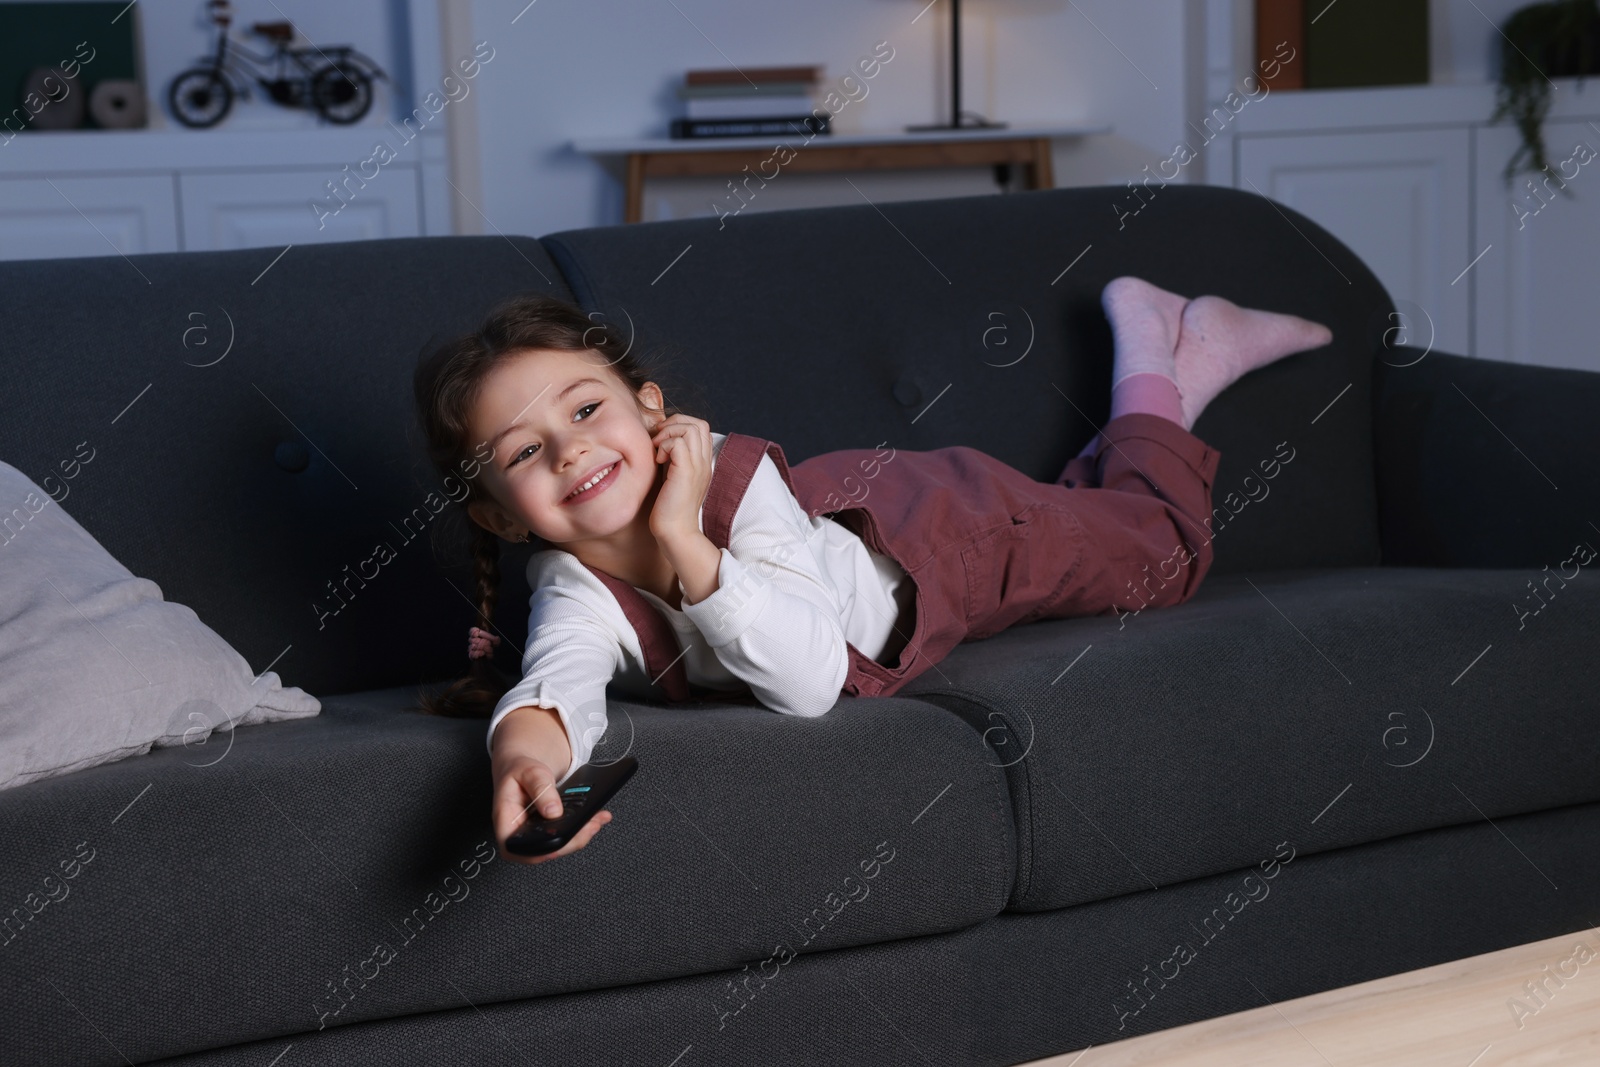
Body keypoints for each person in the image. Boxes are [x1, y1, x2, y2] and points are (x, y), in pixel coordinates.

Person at [411, 280, 1331, 866]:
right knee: (1098, 525)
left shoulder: (734, 475)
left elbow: (809, 680)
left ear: (651, 410)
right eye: (527, 450)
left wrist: (686, 540)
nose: (572, 450)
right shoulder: (573, 586)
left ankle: (1161, 353)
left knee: (1164, 552)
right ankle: (1150, 395)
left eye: (585, 409)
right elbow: (555, 681)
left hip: (952, 535)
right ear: (496, 512)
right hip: (868, 515)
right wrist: (523, 759)